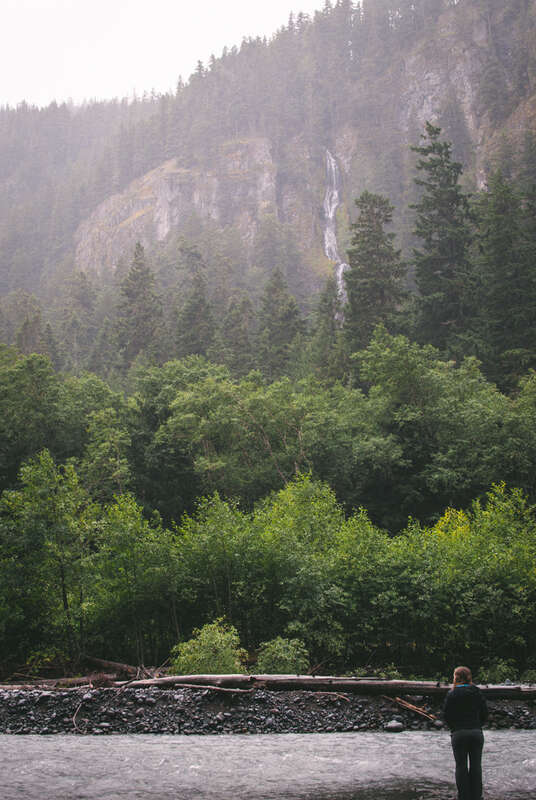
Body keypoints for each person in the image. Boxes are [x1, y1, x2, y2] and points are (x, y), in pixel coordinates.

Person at [443, 665, 488, 800]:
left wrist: (454, 728)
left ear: (456, 677)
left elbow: (446, 715)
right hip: (475, 732)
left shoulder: (452, 693)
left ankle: (464, 796)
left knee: (461, 766)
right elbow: (485, 713)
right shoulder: (477, 691)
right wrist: (477, 726)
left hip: (459, 733)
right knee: (476, 765)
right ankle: (476, 796)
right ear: (469, 677)